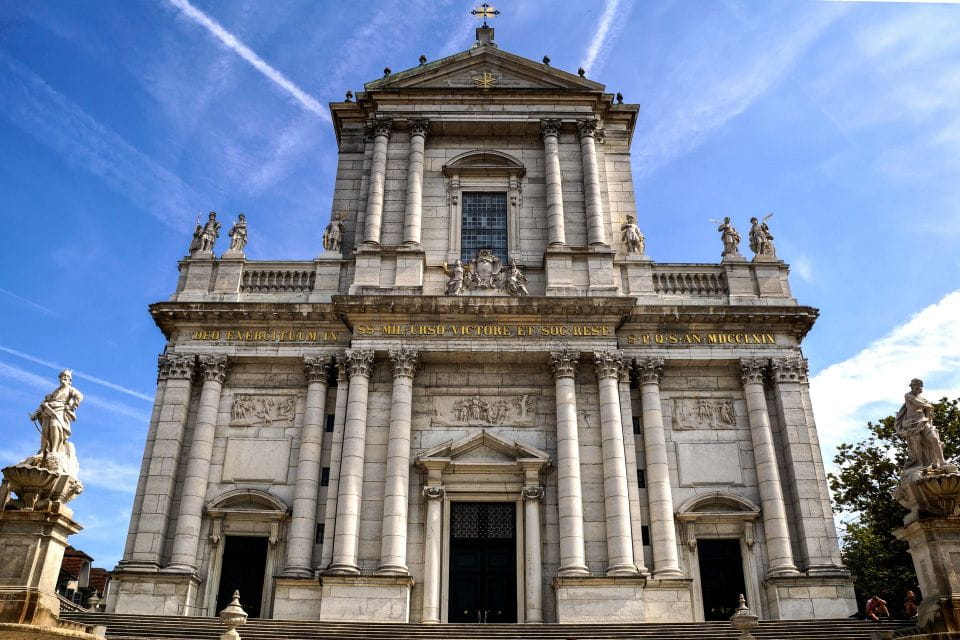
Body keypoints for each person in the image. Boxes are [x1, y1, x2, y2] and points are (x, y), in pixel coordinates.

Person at [895, 378, 948, 471]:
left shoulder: (923, 399)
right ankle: (919, 463)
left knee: (934, 439)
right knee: (917, 442)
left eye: (919, 385)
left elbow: (929, 412)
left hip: (923, 421)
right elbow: (918, 403)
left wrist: (928, 413)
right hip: (912, 423)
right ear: (912, 386)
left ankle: (942, 461)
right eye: (915, 385)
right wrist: (928, 405)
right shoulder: (908, 395)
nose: (918, 386)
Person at [30, 369, 84, 458]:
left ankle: (54, 450)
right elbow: (44, 403)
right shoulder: (54, 391)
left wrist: (71, 405)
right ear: (60, 377)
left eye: (67, 376)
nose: (65, 377)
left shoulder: (70, 389)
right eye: (63, 375)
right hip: (47, 411)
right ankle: (42, 451)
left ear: (70, 379)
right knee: (45, 431)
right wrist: (36, 414)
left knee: (55, 427)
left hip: (59, 411)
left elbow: (79, 397)